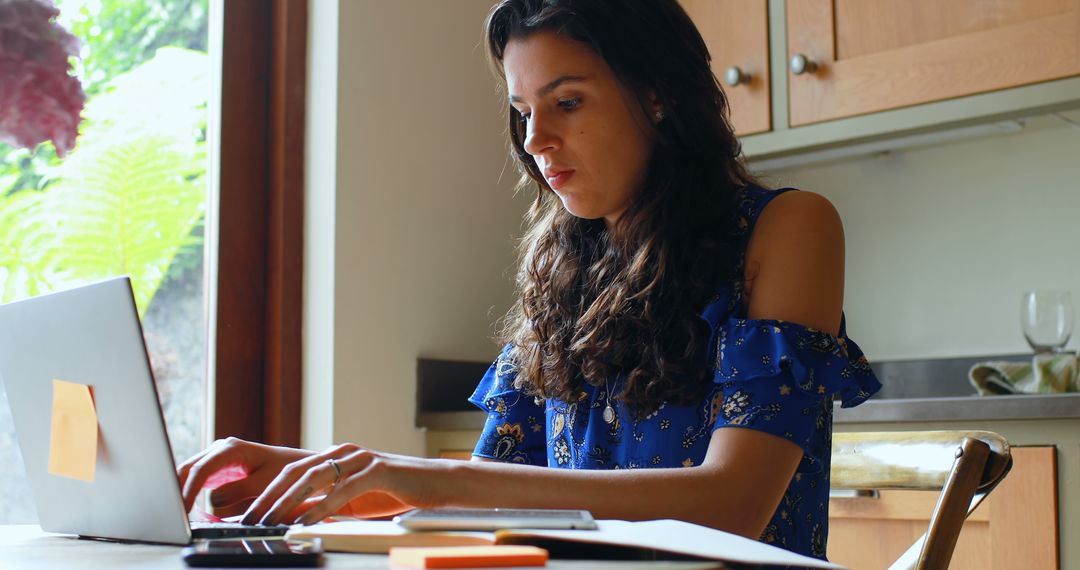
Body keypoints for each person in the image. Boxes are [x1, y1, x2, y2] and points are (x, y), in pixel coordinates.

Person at [177, 0, 881, 560]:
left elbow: (734, 502)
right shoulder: (560, 257)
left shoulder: (791, 227)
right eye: (523, 111)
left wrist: (414, 474)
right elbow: (491, 496)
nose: (536, 140)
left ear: (658, 94)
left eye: (567, 102)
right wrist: (312, 477)